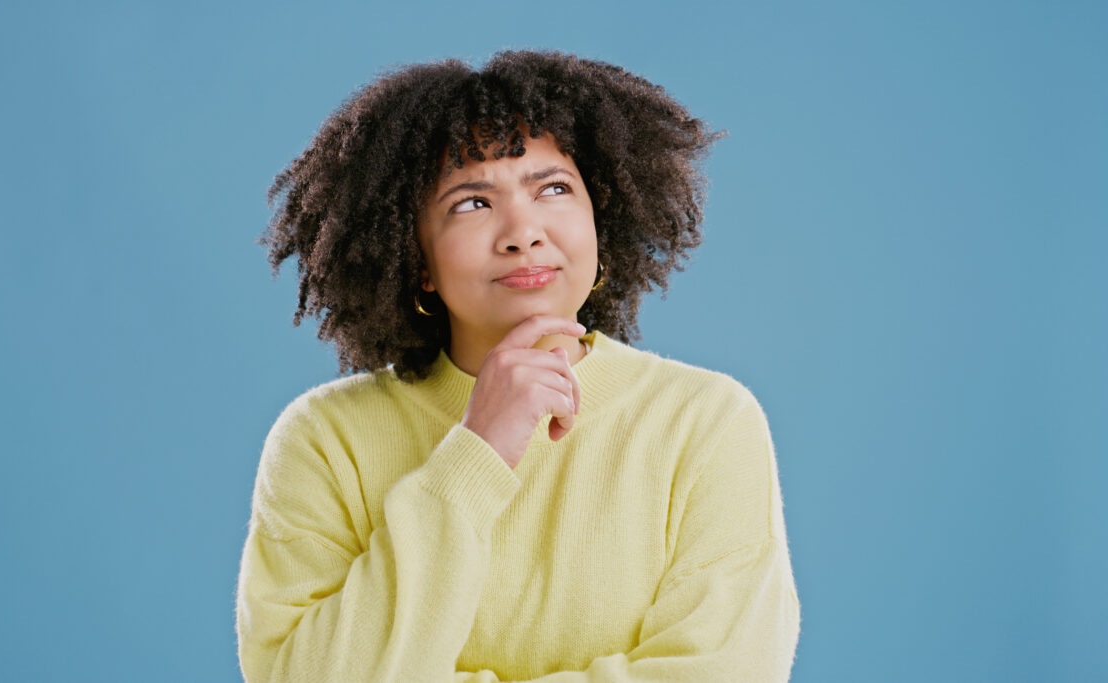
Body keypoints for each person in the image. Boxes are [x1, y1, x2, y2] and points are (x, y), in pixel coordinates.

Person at [234, 49, 801, 682]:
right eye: (471, 203)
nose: (522, 231)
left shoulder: (705, 422)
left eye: (554, 188)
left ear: (600, 218)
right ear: (415, 257)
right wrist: (476, 453)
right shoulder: (324, 439)